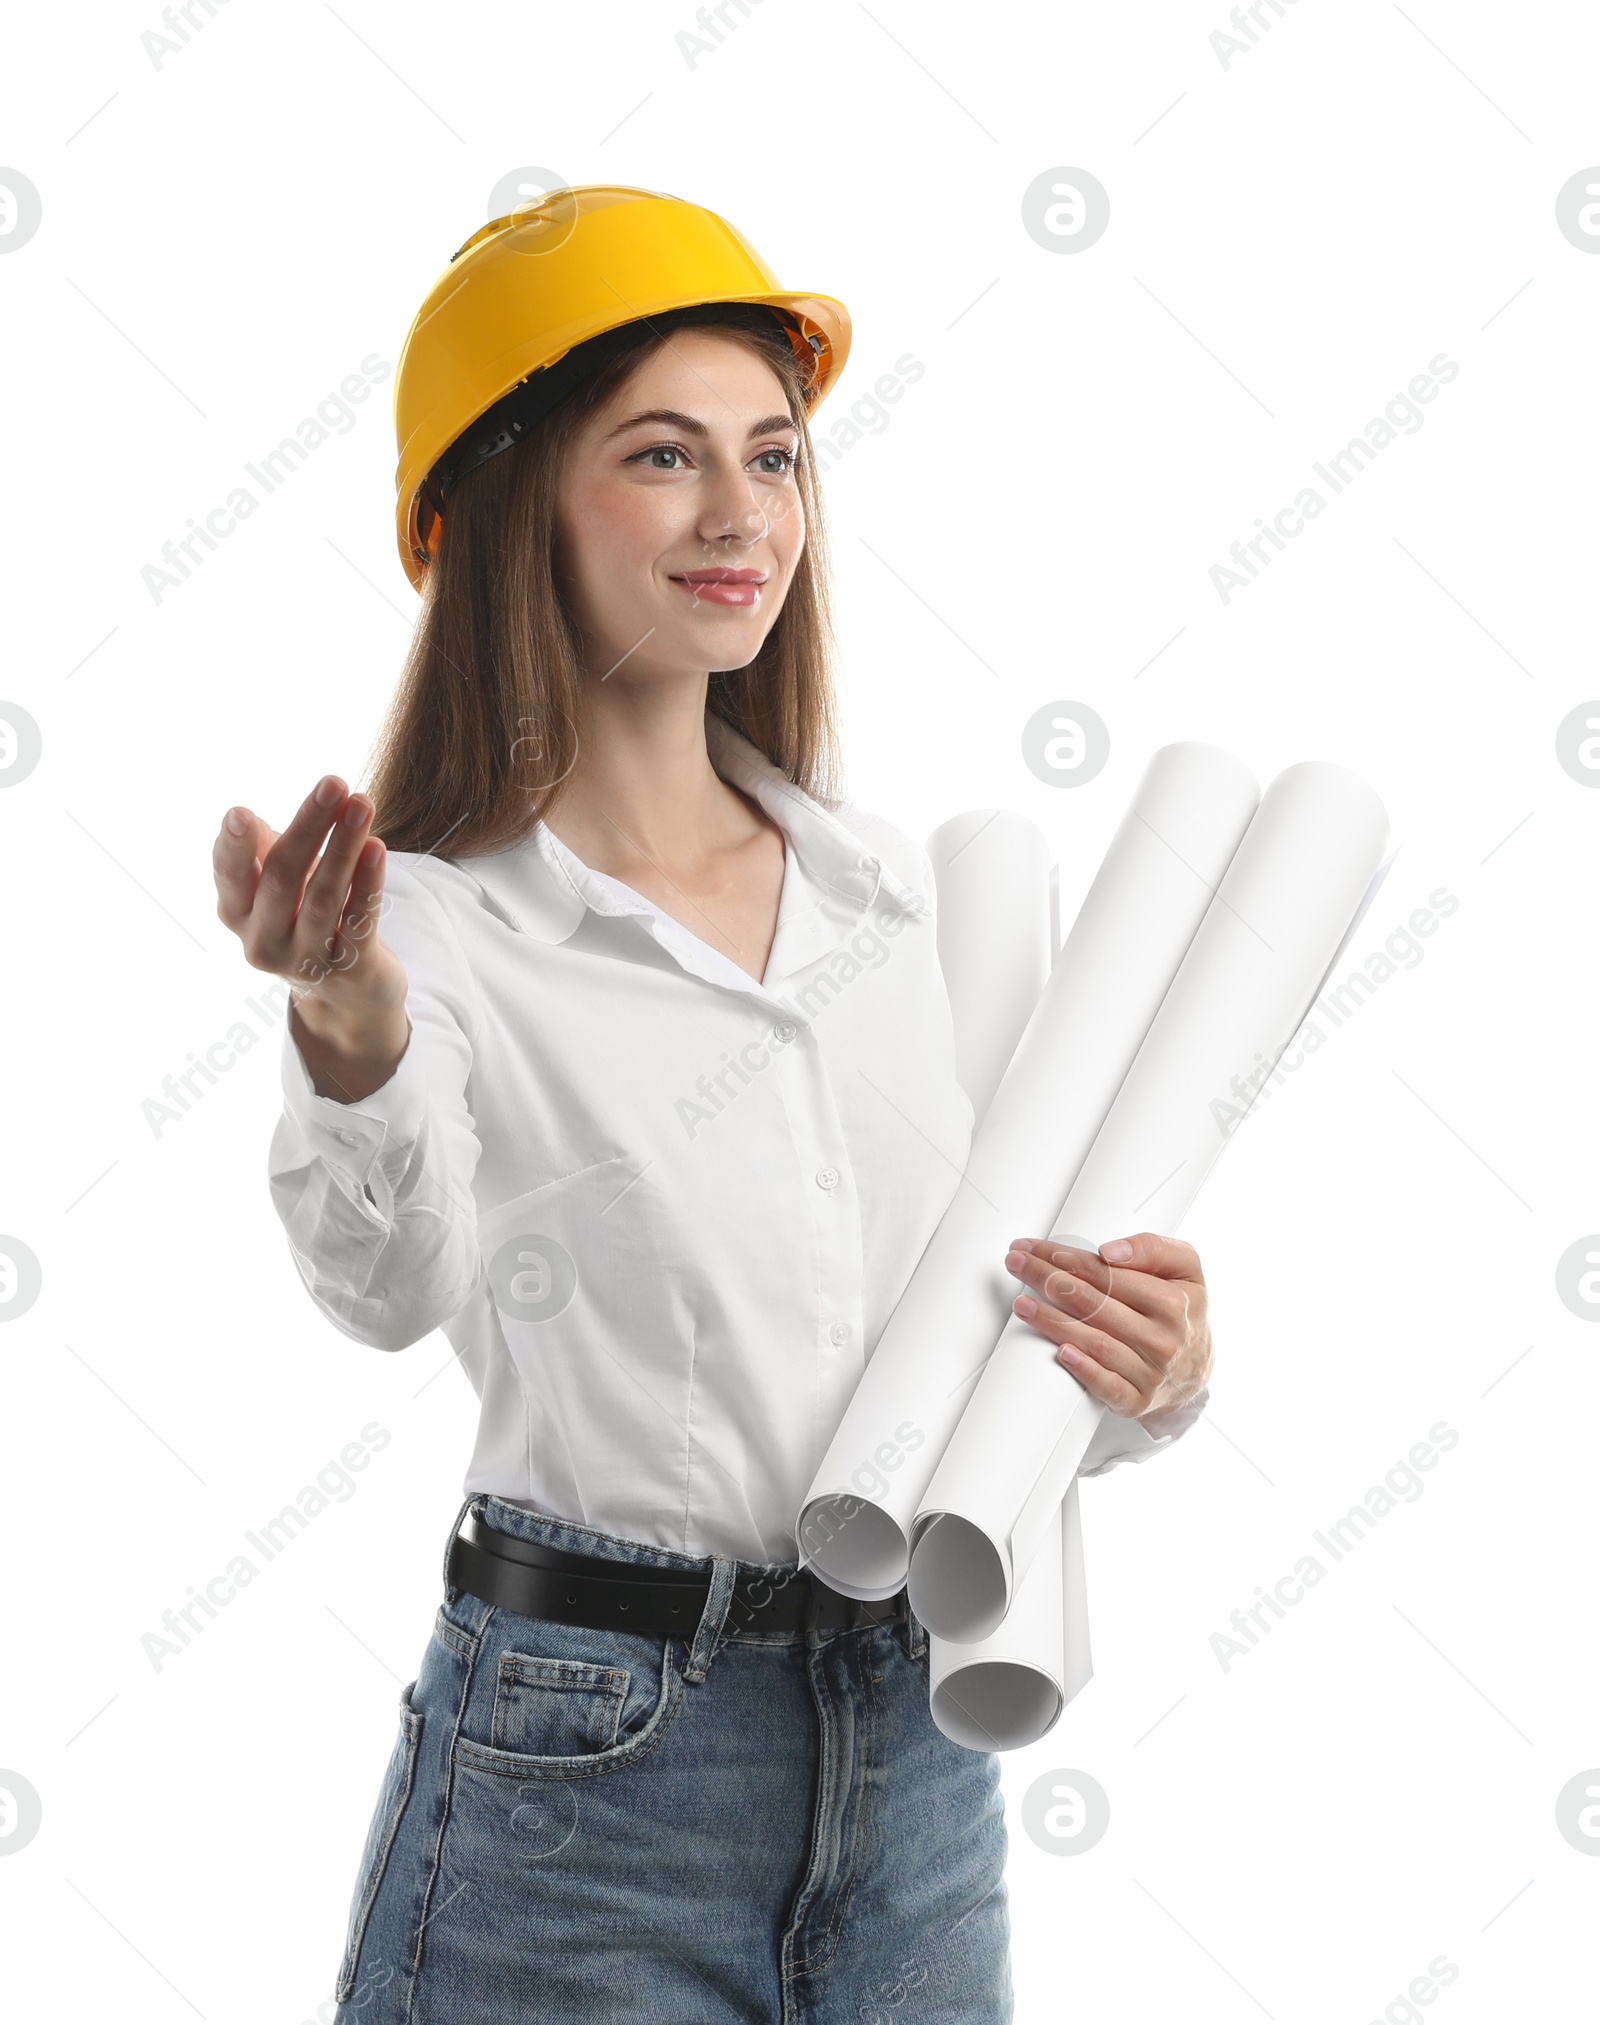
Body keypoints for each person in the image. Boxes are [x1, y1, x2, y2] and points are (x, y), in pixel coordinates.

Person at [211, 185, 1214, 2024]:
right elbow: (383, 1288)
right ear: (510, 500)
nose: (744, 511)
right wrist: (348, 1025)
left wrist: (1144, 1371)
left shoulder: (888, 897)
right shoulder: (440, 923)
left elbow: (970, 1337)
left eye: (774, 452)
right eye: (664, 456)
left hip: (916, 1752)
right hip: (589, 1776)